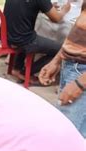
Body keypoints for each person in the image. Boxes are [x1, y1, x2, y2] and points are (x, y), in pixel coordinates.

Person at [39, 1, 86, 138]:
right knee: (77, 136)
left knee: (66, 136)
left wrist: (80, 83)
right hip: (72, 66)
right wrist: (57, 60)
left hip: (81, 74)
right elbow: (80, 23)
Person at [3, 0, 71, 82]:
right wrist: (65, 10)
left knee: (26, 31)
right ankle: (24, 72)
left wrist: (47, 7)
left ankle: (16, 68)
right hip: (24, 40)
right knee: (61, 50)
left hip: (6, 35)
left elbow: (26, 7)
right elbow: (56, 18)